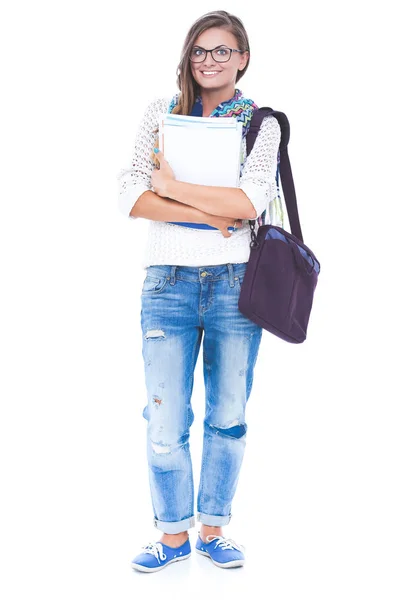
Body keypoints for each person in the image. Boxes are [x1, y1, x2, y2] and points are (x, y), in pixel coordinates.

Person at [117, 10, 282, 572]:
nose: (209, 60)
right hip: (167, 282)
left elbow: (248, 202)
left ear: (243, 58)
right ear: (188, 57)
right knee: (164, 420)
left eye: (221, 51)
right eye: (199, 51)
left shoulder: (262, 123)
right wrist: (209, 214)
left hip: (237, 284)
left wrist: (171, 187)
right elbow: (130, 198)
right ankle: (171, 537)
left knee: (228, 415)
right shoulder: (159, 114)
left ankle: (212, 529)